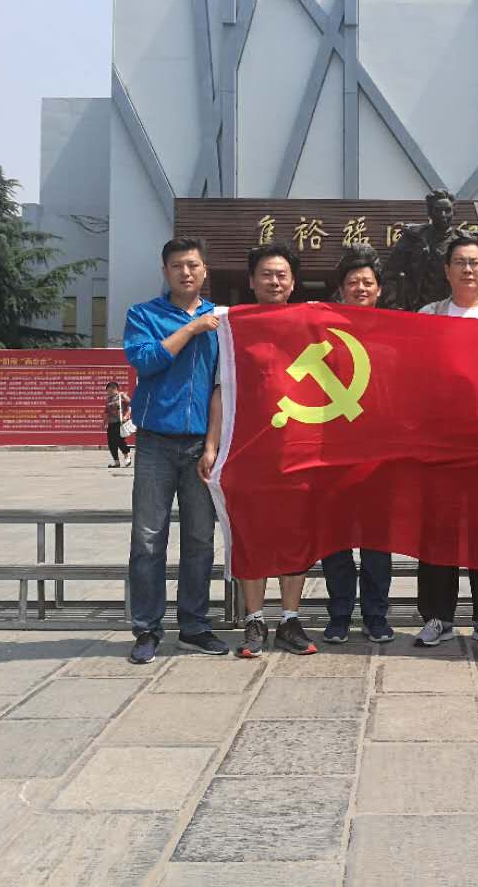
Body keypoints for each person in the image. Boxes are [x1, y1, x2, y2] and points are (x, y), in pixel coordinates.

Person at [201, 242, 317, 658]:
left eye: (282, 274)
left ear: (293, 282)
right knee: (250, 533)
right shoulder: (235, 327)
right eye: (266, 274)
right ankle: (254, 620)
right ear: (251, 281)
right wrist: (211, 446)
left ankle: (290, 619)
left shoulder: (309, 325)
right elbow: (221, 391)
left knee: (295, 534)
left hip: (298, 449)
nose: (274, 281)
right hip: (246, 450)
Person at [123, 237, 227, 664]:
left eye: (193, 265)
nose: (186, 272)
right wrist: (190, 329)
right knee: (148, 539)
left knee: (200, 539)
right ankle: (147, 629)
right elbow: (145, 361)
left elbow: (223, 386)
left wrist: (212, 445)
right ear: (165, 271)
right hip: (155, 443)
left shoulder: (222, 320)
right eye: (178, 266)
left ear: (204, 271)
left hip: (201, 445)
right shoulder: (143, 315)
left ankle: (194, 626)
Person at [412, 236, 478, 648]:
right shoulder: (428, 316)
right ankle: (437, 616)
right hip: (440, 443)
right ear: (447, 270)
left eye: (475, 262)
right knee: (438, 531)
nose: (468, 269)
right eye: (460, 262)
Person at [318, 246, 395, 644]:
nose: (360, 288)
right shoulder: (324, 332)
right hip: (333, 453)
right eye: (353, 283)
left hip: (380, 455)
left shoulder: (395, 333)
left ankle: (376, 616)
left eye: (367, 282)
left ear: (379, 289)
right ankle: (340, 614)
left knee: (377, 542)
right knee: (335, 540)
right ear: (341, 290)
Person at [104, 381, 132, 468]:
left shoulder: (121, 396)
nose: (108, 392)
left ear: (115, 389)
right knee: (111, 443)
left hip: (119, 422)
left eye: (110, 390)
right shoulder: (108, 399)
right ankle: (116, 462)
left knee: (119, 440)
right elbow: (106, 411)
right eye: (107, 391)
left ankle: (127, 455)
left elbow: (131, 406)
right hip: (111, 423)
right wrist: (104, 422)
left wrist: (126, 416)